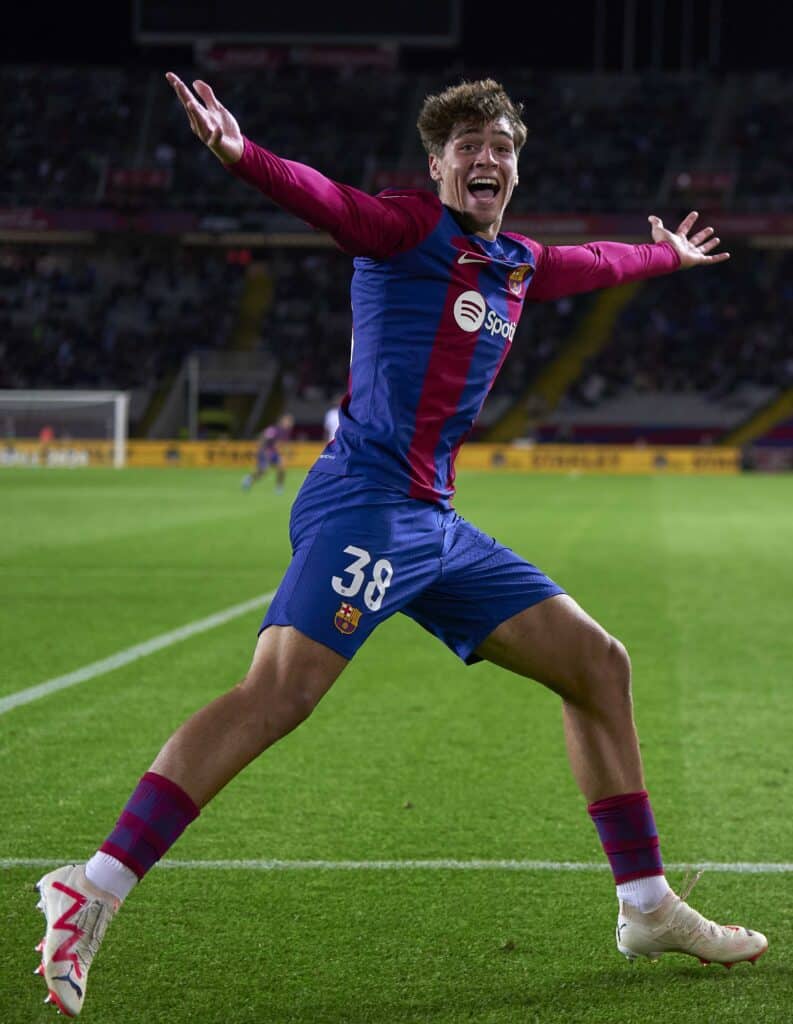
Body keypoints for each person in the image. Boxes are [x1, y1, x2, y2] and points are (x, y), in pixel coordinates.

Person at [33, 73, 767, 1017]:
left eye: (500, 144)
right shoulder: (406, 230)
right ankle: (92, 885)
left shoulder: (517, 264)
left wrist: (661, 257)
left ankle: (647, 905)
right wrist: (237, 153)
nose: (486, 157)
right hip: (366, 507)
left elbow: (594, 261)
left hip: (438, 523)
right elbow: (324, 197)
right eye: (466, 144)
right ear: (437, 165)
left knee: (596, 663)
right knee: (278, 694)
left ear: (516, 164)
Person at [241, 412, 294, 493]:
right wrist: (264, 451)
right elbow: (263, 439)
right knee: (264, 470)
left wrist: (288, 452)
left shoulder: (286, 432)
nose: (289, 423)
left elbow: (283, 444)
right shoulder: (273, 429)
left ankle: (279, 487)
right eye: (288, 421)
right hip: (264, 451)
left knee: (282, 466)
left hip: (274, 453)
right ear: (282, 421)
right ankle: (249, 479)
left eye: (290, 422)